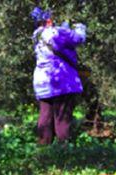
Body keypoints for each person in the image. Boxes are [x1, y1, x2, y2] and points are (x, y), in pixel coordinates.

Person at [31, 7, 87, 144]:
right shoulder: (58, 32)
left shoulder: (36, 35)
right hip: (62, 81)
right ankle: (63, 152)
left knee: (45, 116)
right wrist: (79, 25)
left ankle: (44, 150)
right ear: (49, 20)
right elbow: (79, 38)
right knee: (62, 118)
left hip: (42, 82)